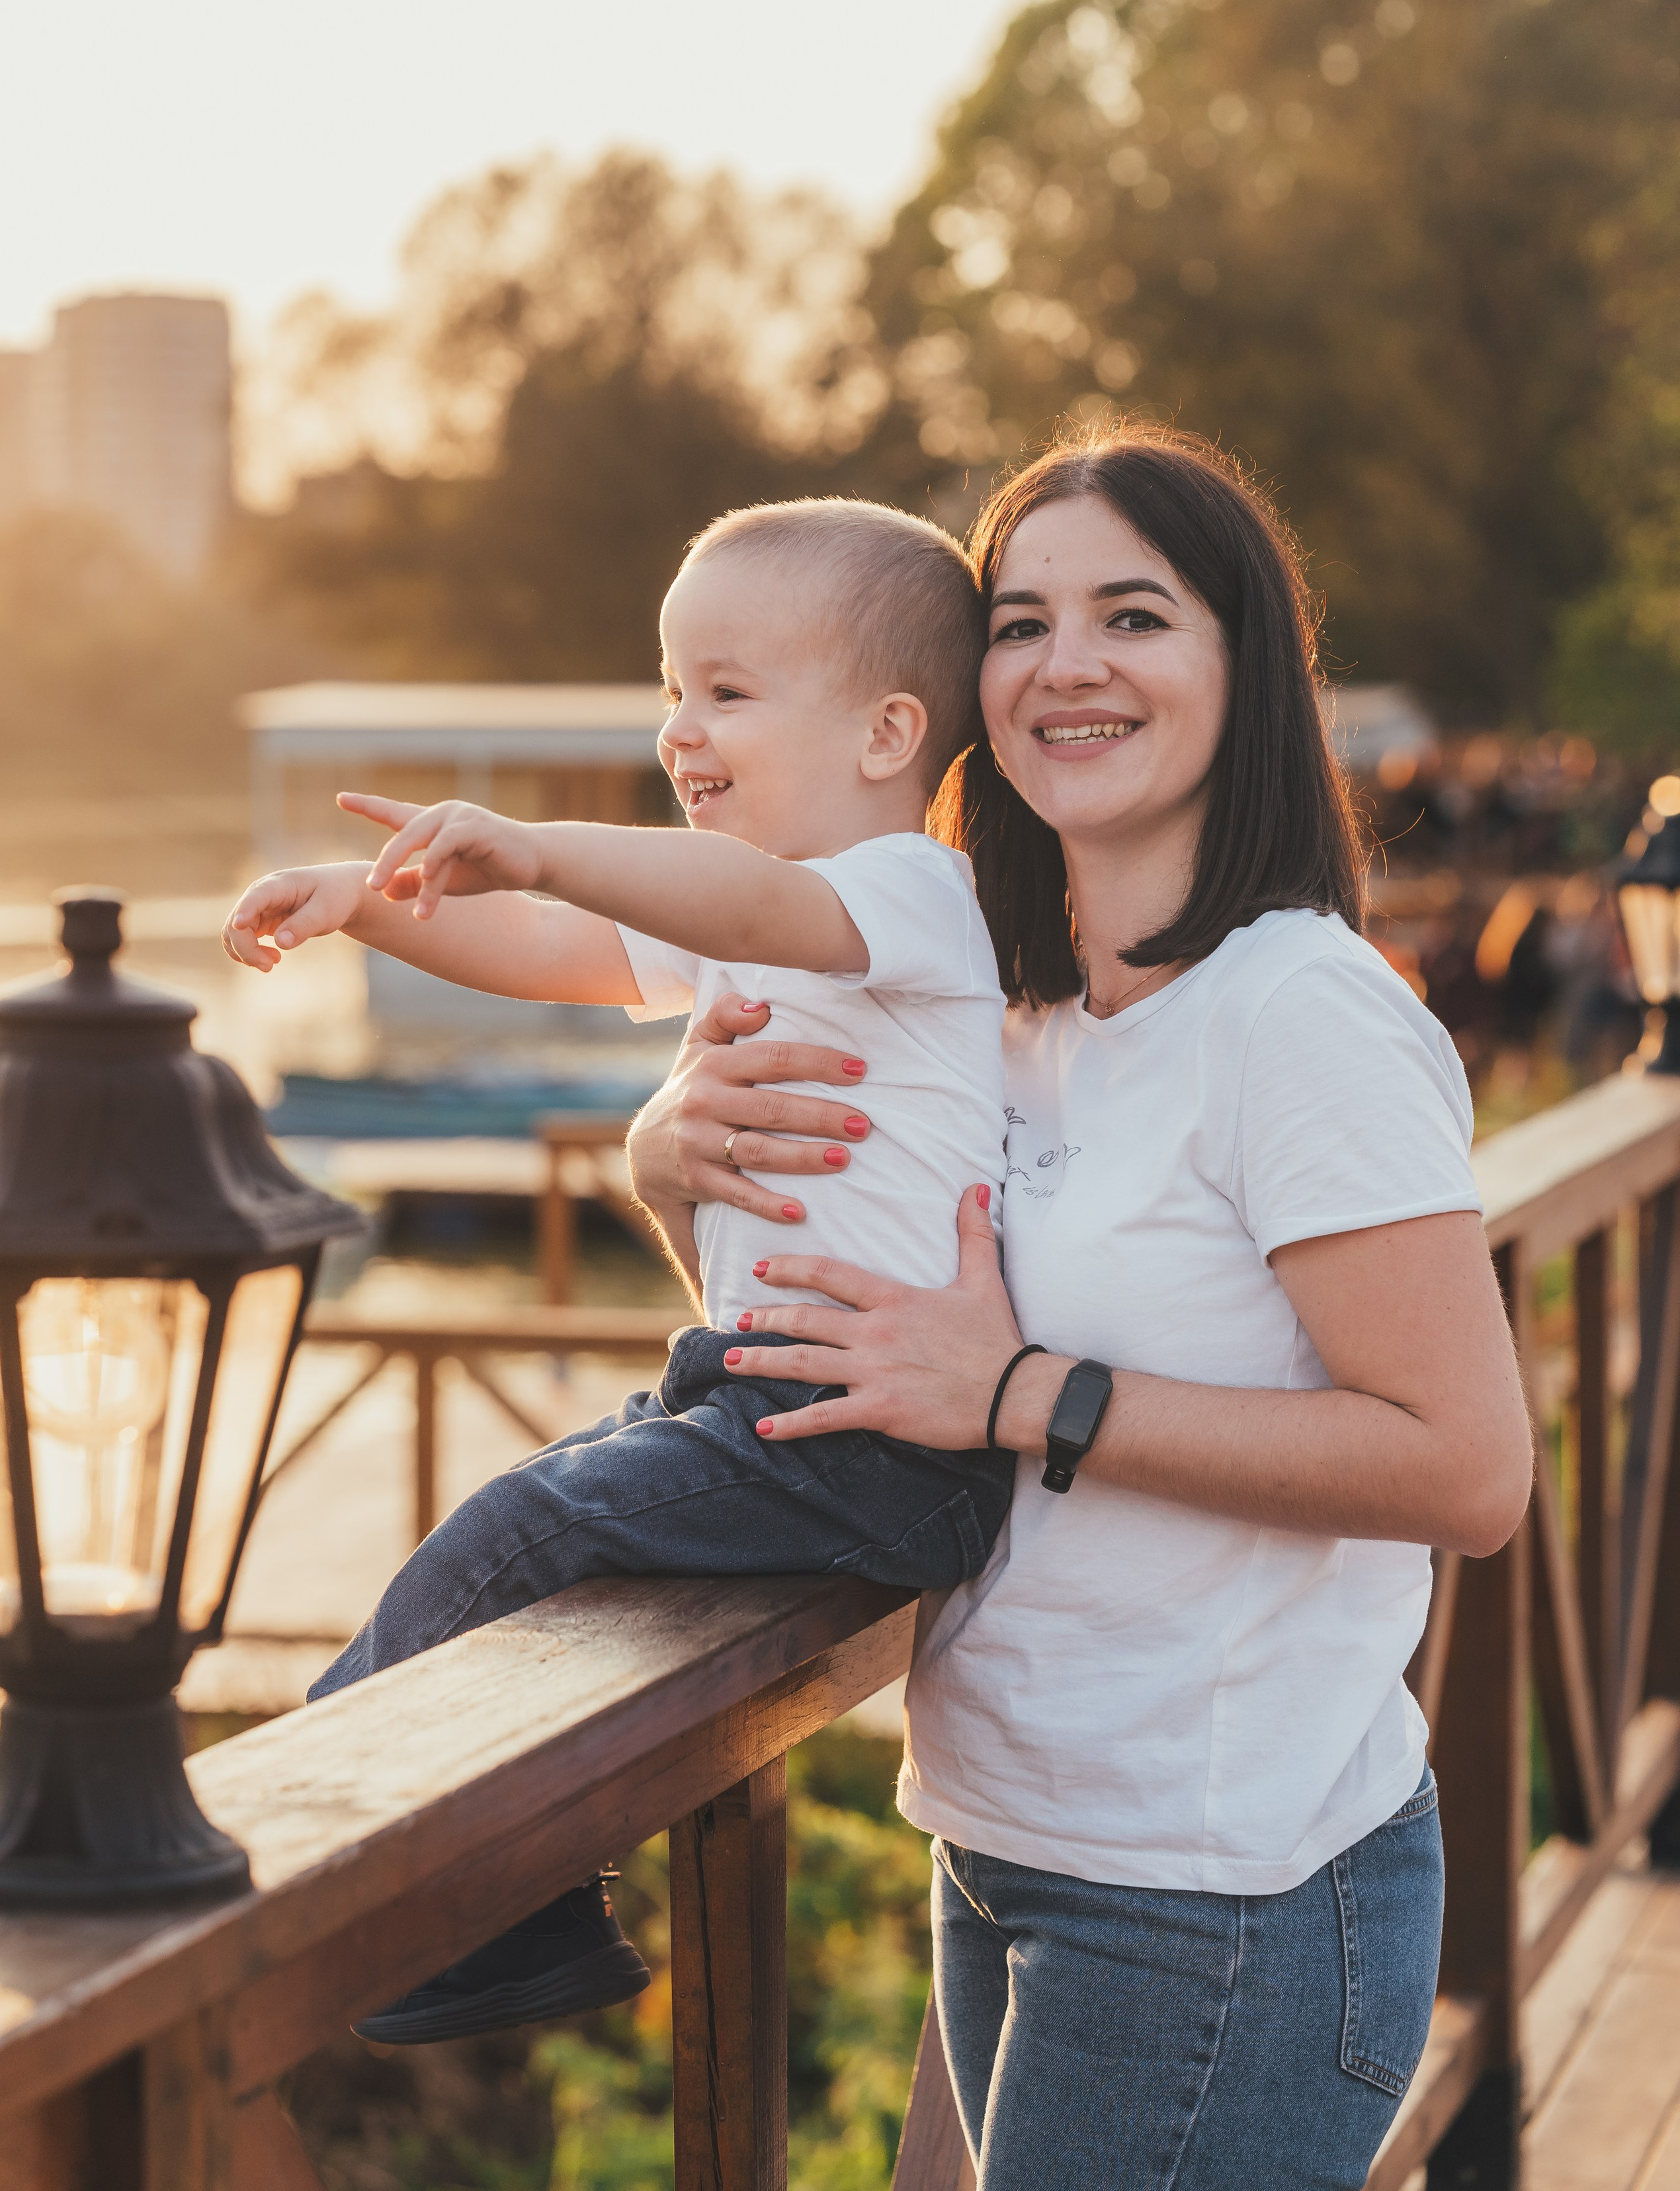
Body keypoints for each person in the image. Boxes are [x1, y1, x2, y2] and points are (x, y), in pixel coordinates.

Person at [626, 432, 1535, 2191]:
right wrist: (671, 1178)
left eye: (1135, 614)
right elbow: (857, 1360)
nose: (1069, 665)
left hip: (1227, 1895)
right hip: (1007, 1837)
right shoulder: (996, 1011)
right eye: (1022, 620)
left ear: (1243, 663)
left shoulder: (1301, 1015)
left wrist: (1034, 1391)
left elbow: (1469, 1470)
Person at [222, 495, 1013, 2043]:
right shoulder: (752, 916)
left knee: (515, 1536)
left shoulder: (901, 896)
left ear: (885, 733)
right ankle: (496, 1899)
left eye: (723, 691)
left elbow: (683, 899)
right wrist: (370, 914)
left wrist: (538, 843)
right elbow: (562, 958)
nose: (676, 729)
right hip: (774, 1401)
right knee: (534, 1525)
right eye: (668, 689)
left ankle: (288, 1876)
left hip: (882, 1438)